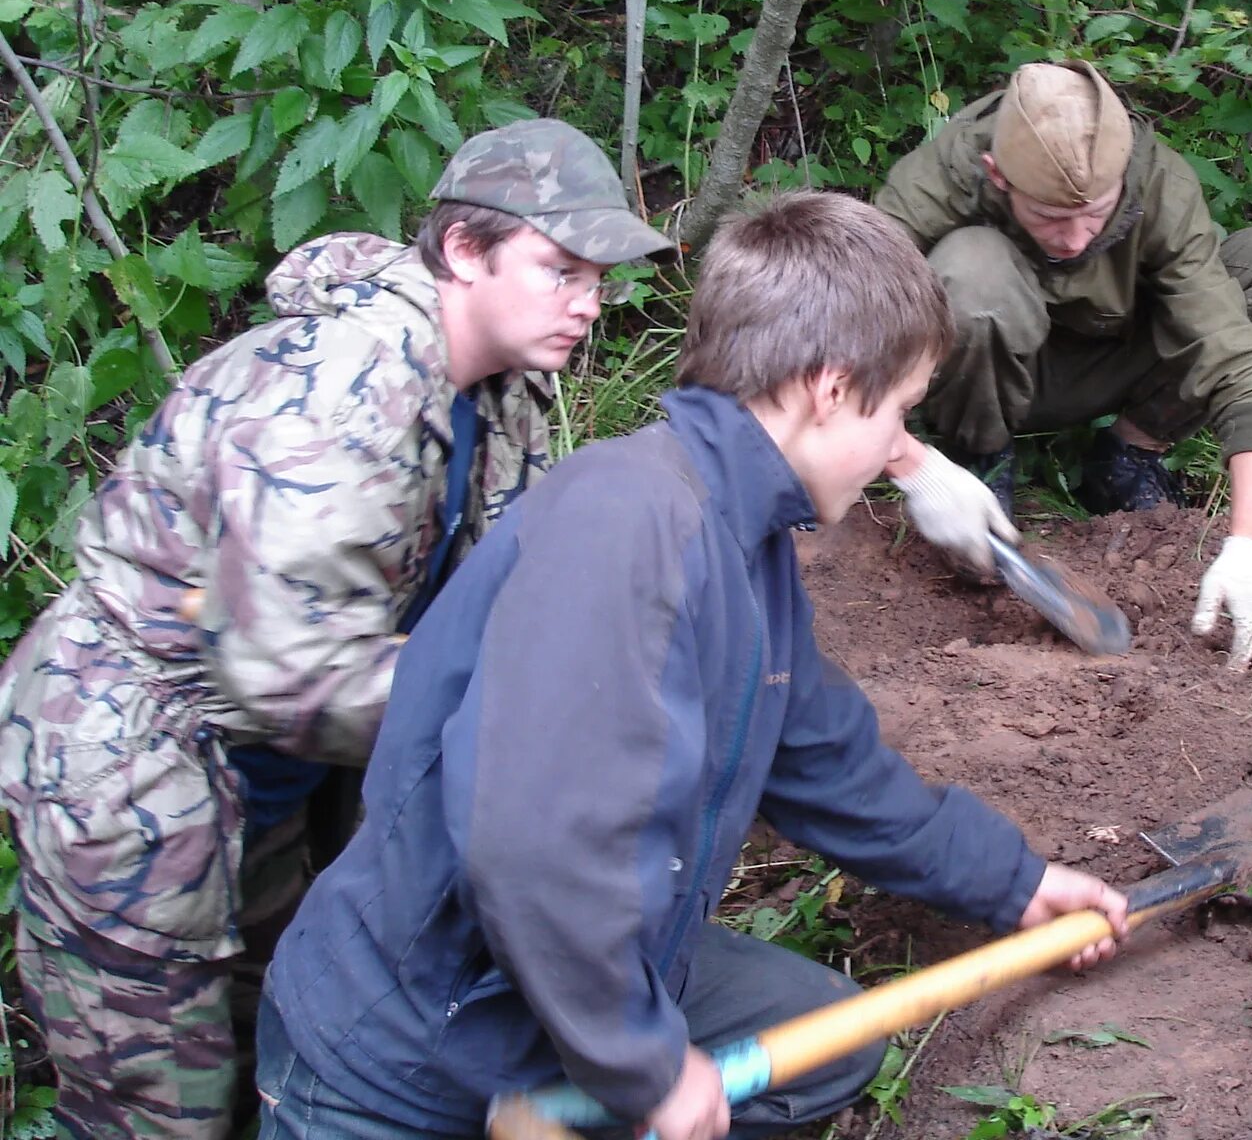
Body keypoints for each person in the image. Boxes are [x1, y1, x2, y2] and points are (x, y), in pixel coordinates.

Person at [254, 191, 1129, 1140]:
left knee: (826, 1044)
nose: (894, 453)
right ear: (828, 388)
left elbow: (819, 757)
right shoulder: (627, 524)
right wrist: (647, 1065)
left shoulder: (739, 534)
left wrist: (1011, 881)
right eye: (902, 413)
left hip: (580, 989)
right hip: (419, 1049)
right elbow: (531, 847)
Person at [0, 118, 674, 1140]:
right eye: (560, 269)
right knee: (157, 1107)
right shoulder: (331, 396)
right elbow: (290, 671)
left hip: (269, 781)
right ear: (462, 251)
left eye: (598, 278)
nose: (588, 302)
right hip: (132, 776)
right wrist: (538, 712)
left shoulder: (500, 388)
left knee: (283, 1034)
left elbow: (504, 583)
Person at [874, 59, 1252, 675]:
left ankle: (1126, 457)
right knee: (971, 269)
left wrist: (1250, 546)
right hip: (986, 362)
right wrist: (915, 466)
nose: (1077, 239)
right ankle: (981, 460)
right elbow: (850, 309)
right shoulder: (946, 174)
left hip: (1114, 359)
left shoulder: (1156, 180)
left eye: (1096, 213)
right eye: (1051, 217)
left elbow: (1232, 351)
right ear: (997, 177)